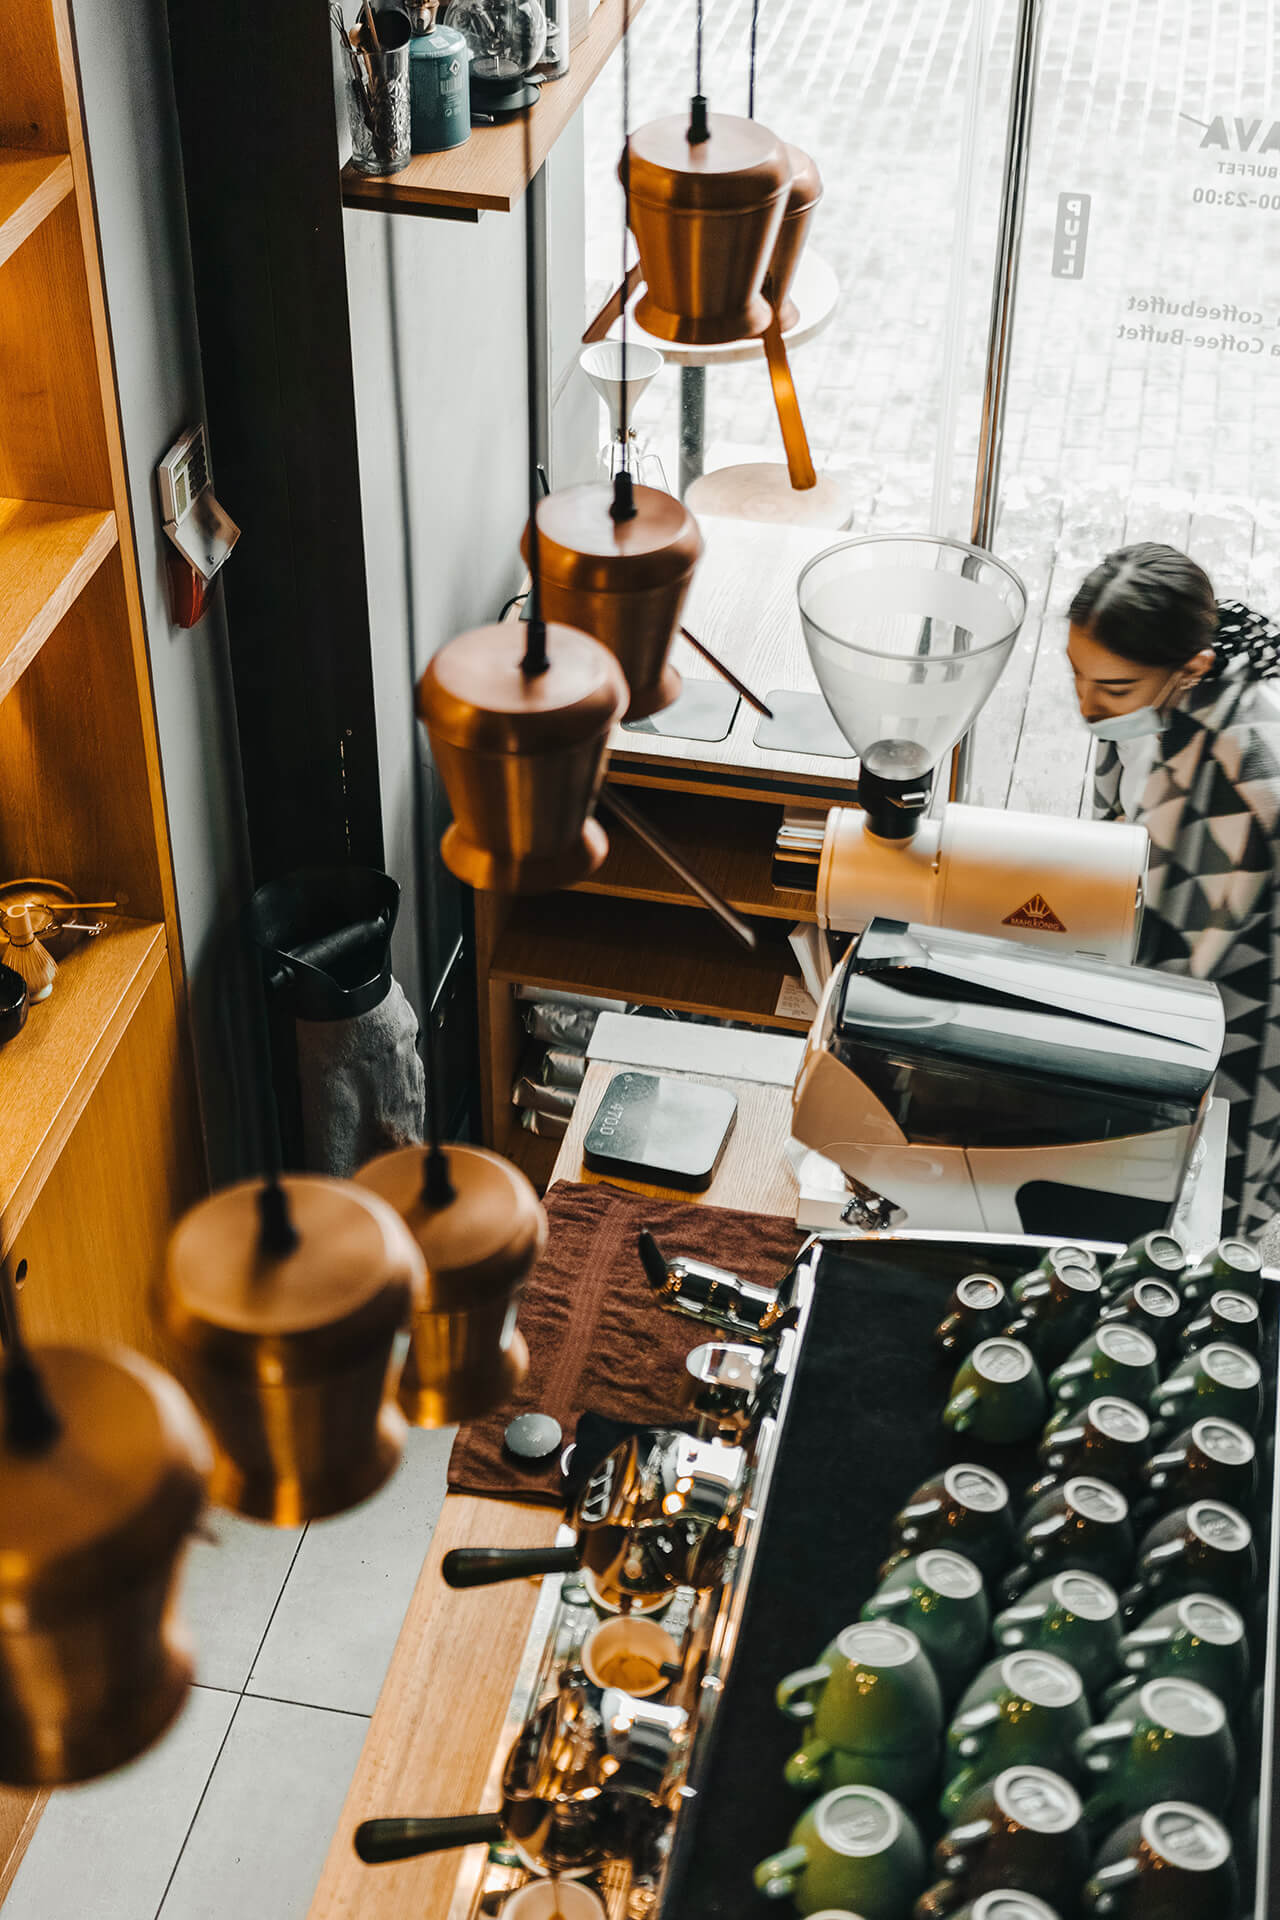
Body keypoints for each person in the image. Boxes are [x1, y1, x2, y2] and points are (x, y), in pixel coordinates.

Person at [1067, 541, 1280, 1234]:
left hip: (1239, 1001)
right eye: (1077, 675)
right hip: (1176, 962)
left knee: (1200, 1192)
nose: (1087, 707)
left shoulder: (1245, 776)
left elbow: (1182, 973)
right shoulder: (1152, 696)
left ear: (1193, 668)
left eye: (1113, 690)